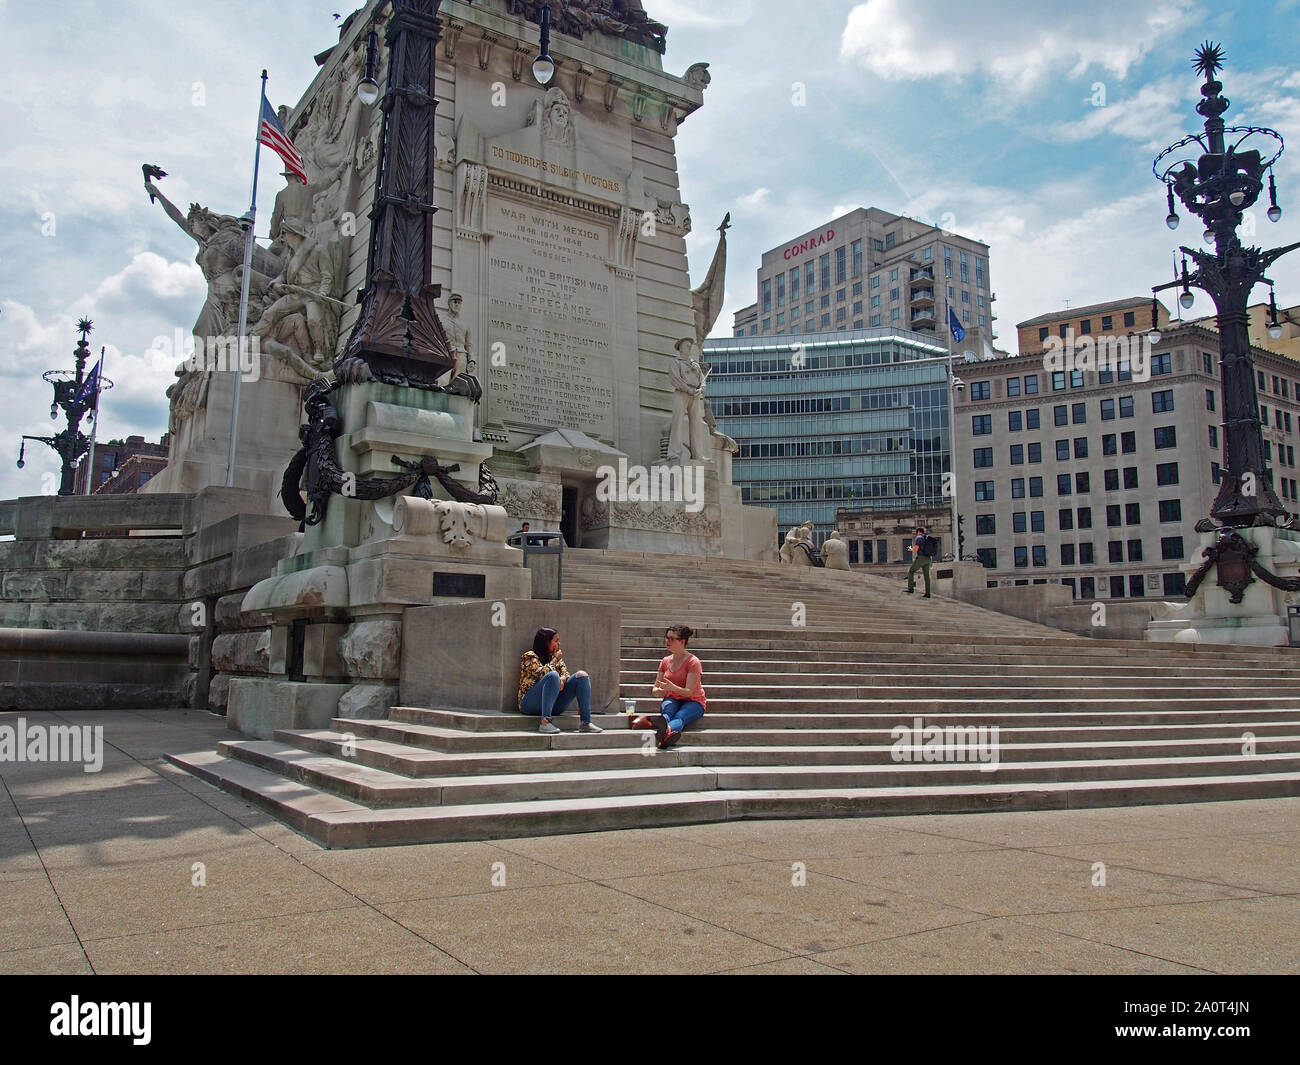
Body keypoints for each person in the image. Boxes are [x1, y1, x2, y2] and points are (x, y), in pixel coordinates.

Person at [518, 627, 602, 734]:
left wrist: (561, 679)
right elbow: (540, 674)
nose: (559, 644)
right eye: (556, 641)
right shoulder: (529, 656)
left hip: (554, 705)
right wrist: (554, 664)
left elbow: (566, 673)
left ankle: (585, 722)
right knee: (553, 675)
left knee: (582, 675)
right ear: (545, 642)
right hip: (530, 704)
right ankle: (545, 722)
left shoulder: (556, 657)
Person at [651, 623, 706, 749]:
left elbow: (689, 692)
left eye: (672, 639)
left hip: (694, 701)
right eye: (667, 638)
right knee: (667, 713)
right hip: (672, 698)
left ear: (682, 642)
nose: (667, 641)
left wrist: (671, 688)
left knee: (680, 716)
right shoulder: (665, 661)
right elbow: (655, 688)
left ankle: (665, 731)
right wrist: (658, 691)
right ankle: (665, 732)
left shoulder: (693, 662)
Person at [906, 526, 933, 598]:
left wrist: (910, 549)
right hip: (928, 559)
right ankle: (928, 593)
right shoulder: (927, 538)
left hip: (921, 558)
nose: (916, 534)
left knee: (911, 571)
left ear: (918, 532)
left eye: (916, 533)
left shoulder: (919, 538)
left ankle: (910, 588)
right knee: (927, 576)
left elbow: (915, 549)